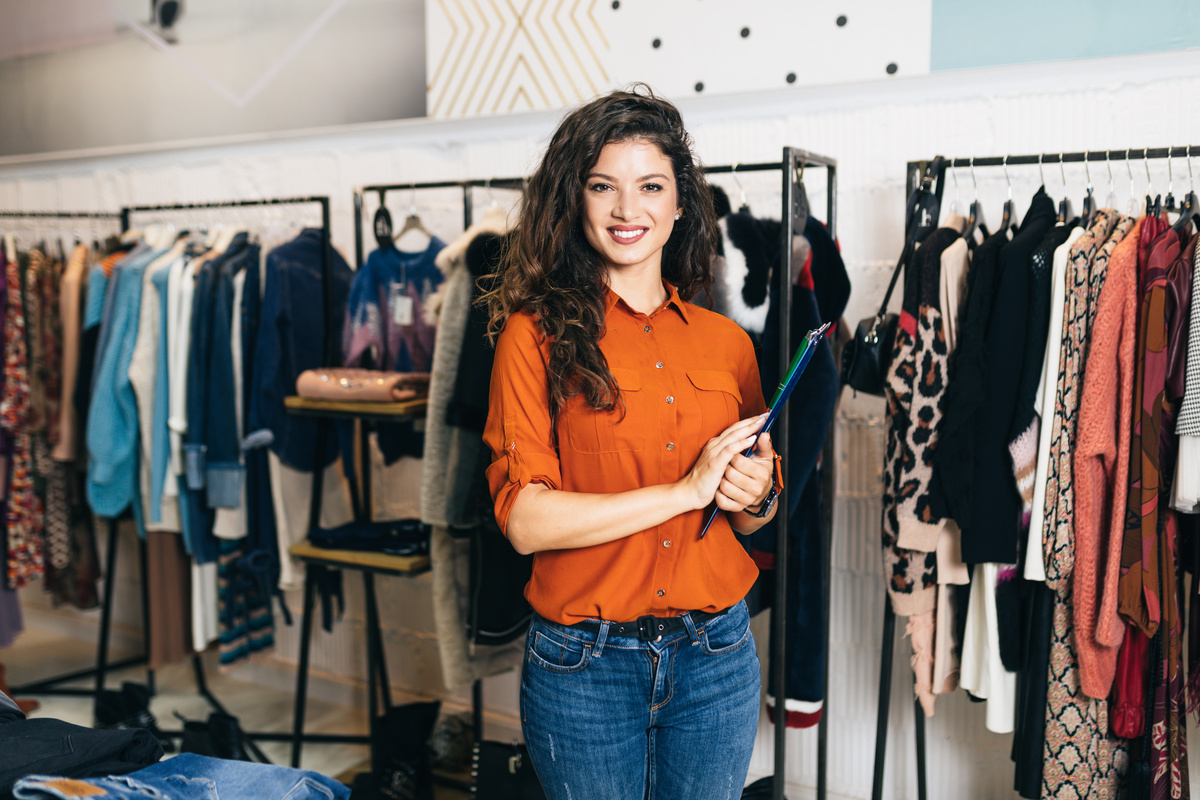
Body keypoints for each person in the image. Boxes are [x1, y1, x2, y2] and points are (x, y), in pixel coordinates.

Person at [482, 86, 781, 798]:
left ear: (681, 205)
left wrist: (756, 491)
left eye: (651, 186)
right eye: (602, 186)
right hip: (585, 665)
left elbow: (752, 517)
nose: (627, 210)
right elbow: (525, 521)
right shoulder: (533, 335)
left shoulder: (728, 344)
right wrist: (682, 492)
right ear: (574, 199)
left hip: (717, 654)